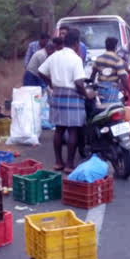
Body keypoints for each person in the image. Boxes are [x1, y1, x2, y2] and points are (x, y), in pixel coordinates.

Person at [38, 30, 90, 172]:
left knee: (59, 129)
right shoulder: (76, 59)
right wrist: (86, 95)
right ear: (76, 43)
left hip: (57, 94)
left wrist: (50, 83)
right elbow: (79, 83)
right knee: (73, 130)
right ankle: (69, 164)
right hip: (72, 95)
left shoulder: (55, 56)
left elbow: (40, 71)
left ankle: (58, 162)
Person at [91, 37, 130, 103]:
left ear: (106, 46)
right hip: (112, 89)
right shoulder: (117, 59)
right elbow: (123, 77)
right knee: (112, 110)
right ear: (115, 47)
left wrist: (91, 87)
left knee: (103, 109)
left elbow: (93, 74)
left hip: (100, 88)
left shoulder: (98, 58)